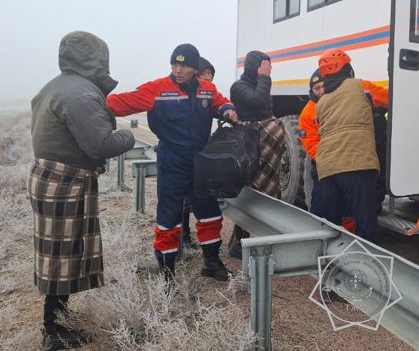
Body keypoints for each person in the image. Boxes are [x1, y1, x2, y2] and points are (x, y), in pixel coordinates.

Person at [30, 31, 136, 350]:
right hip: (66, 182)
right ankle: (54, 331)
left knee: (60, 254)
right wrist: (130, 136)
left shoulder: (56, 85)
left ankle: (59, 322)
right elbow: (100, 144)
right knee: (62, 255)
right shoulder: (81, 94)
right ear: (96, 58)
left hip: (51, 177)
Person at [106, 44, 237, 281]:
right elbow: (119, 103)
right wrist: (90, 103)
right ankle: (167, 271)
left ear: (195, 68)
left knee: (209, 213)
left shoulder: (207, 89)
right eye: (174, 64)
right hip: (172, 160)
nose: (177, 69)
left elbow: (221, 102)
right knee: (169, 216)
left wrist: (228, 110)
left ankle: (212, 262)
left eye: (184, 65)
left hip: (201, 162)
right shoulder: (156, 89)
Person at [299, 69, 388, 232]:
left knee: (353, 206)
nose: (320, 91)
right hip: (326, 161)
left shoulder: (347, 96)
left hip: (347, 157)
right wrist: (331, 157)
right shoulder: (308, 112)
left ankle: (350, 235)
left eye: (322, 86)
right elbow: (311, 144)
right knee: (324, 206)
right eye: (315, 89)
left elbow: (385, 98)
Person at [314, 49, 381, 241]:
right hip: (356, 163)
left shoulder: (321, 102)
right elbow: (388, 98)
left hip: (327, 168)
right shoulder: (361, 86)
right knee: (366, 227)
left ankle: (332, 266)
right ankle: (365, 267)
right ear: (349, 70)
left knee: (332, 228)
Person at [227, 50, 286, 258]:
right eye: (264, 65)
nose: (268, 69)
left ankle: (266, 240)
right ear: (254, 67)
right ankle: (239, 241)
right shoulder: (239, 87)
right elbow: (259, 102)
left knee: (271, 188)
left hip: (269, 147)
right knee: (250, 187)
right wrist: (264, 78)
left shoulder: (261, 83)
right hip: (252, 144)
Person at [179, 55, 217, 251]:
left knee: (197, 194)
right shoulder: (182, 93)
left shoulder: (208, 94)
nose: (209, 76)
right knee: (183, 197)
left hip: (200, 152)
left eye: (211, 72)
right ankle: (183, 235)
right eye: (205, 72)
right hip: (180, 153)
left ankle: (201, 240)